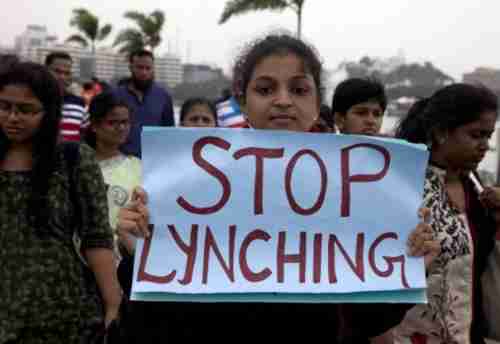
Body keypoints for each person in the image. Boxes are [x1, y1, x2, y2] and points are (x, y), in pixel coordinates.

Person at [116, 34, 438, 344]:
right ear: (243, 102)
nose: (283, 100)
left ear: (316, 103)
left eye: (298, 89)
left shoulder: (353, 192)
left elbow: (364, 321)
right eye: (266, 88)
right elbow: (153, 321)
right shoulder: (192, 185)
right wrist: (140, 254)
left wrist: (407, 266)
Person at [0, 62, 121, 343]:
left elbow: (97, 238)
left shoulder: (73, 159)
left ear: (49, 112)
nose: (13, 117)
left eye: (26, 110)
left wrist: (113, 303)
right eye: (5, 107)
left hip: (68, 317)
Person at [393, 84, 498, 344]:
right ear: (441, 133)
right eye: (475, 135)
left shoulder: (479, 191)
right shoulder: (403, 185)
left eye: (489, 136)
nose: (484, 146)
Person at [85, 92, 142, 256]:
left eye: (125, 122)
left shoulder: (137, 167)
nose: (121, 128)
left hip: (125, 259)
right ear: (94, 125)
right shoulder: (79, 166)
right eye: (112, 122)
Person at [112, 49, 174, 157]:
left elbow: (169, 133)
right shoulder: (115, 95)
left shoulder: (164, 97)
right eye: (140, 67)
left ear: (153, 70)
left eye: (148, 68)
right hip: (120, 160)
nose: (144, 72)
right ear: (131, 68)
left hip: (153, 161)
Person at [45, 51, 89, 142]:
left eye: (67, 73)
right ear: (45, 71)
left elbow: (85, 135)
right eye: (57, 71)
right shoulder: (34, 101)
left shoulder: (80, 104)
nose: (62, 77)